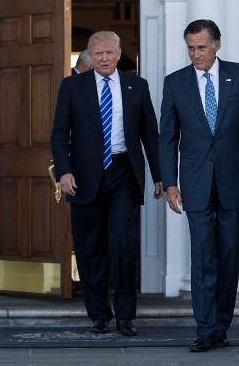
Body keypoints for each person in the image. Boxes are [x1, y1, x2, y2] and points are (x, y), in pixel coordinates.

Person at [159, 19, 239, 352]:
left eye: (202, 47)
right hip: (194, 183)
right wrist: (170, 183)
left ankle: (221, 323)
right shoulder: (175, 83)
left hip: (235, 182)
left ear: (217, 45)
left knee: (228, 256)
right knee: (203, 257)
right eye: (191, 48)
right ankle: (205, 329)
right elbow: (168, 137)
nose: (196, 54)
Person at [51, 31, 163, 337]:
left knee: (123, 245)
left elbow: (150, 135)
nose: (104, 59)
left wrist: (159, 175)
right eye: (98, 54)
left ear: (118, 54)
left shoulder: (136, 86)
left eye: (109, 53)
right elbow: (60, 134)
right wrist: (64, 171)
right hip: (84, 177)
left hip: (124, 173)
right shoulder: (72, 86)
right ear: (88, 56)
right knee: (90, 249)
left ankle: (125, 316)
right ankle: (99, 314)